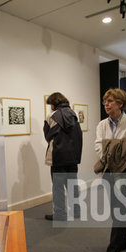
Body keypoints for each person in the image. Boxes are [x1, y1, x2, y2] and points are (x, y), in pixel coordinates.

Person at [95, 88, 126, 252]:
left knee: (121, 211)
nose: (106, 104)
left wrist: (110, 149)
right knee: (117, 210)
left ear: (120, 104)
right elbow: (99, 148)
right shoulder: (101, 125)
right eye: (105, 101)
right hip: (109, 173)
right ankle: (124, 241)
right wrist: (115, 149)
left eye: (110, 101)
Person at [43, 92, 83, 221]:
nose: (51, 107)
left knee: (58, 188)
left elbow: (48, 136)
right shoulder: (73, 114)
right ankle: (76, 211)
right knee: (72, 185)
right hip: (72, 157)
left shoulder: (52, 116)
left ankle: (60, 214)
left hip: (58, 157)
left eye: (51, 104)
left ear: (54, 103)